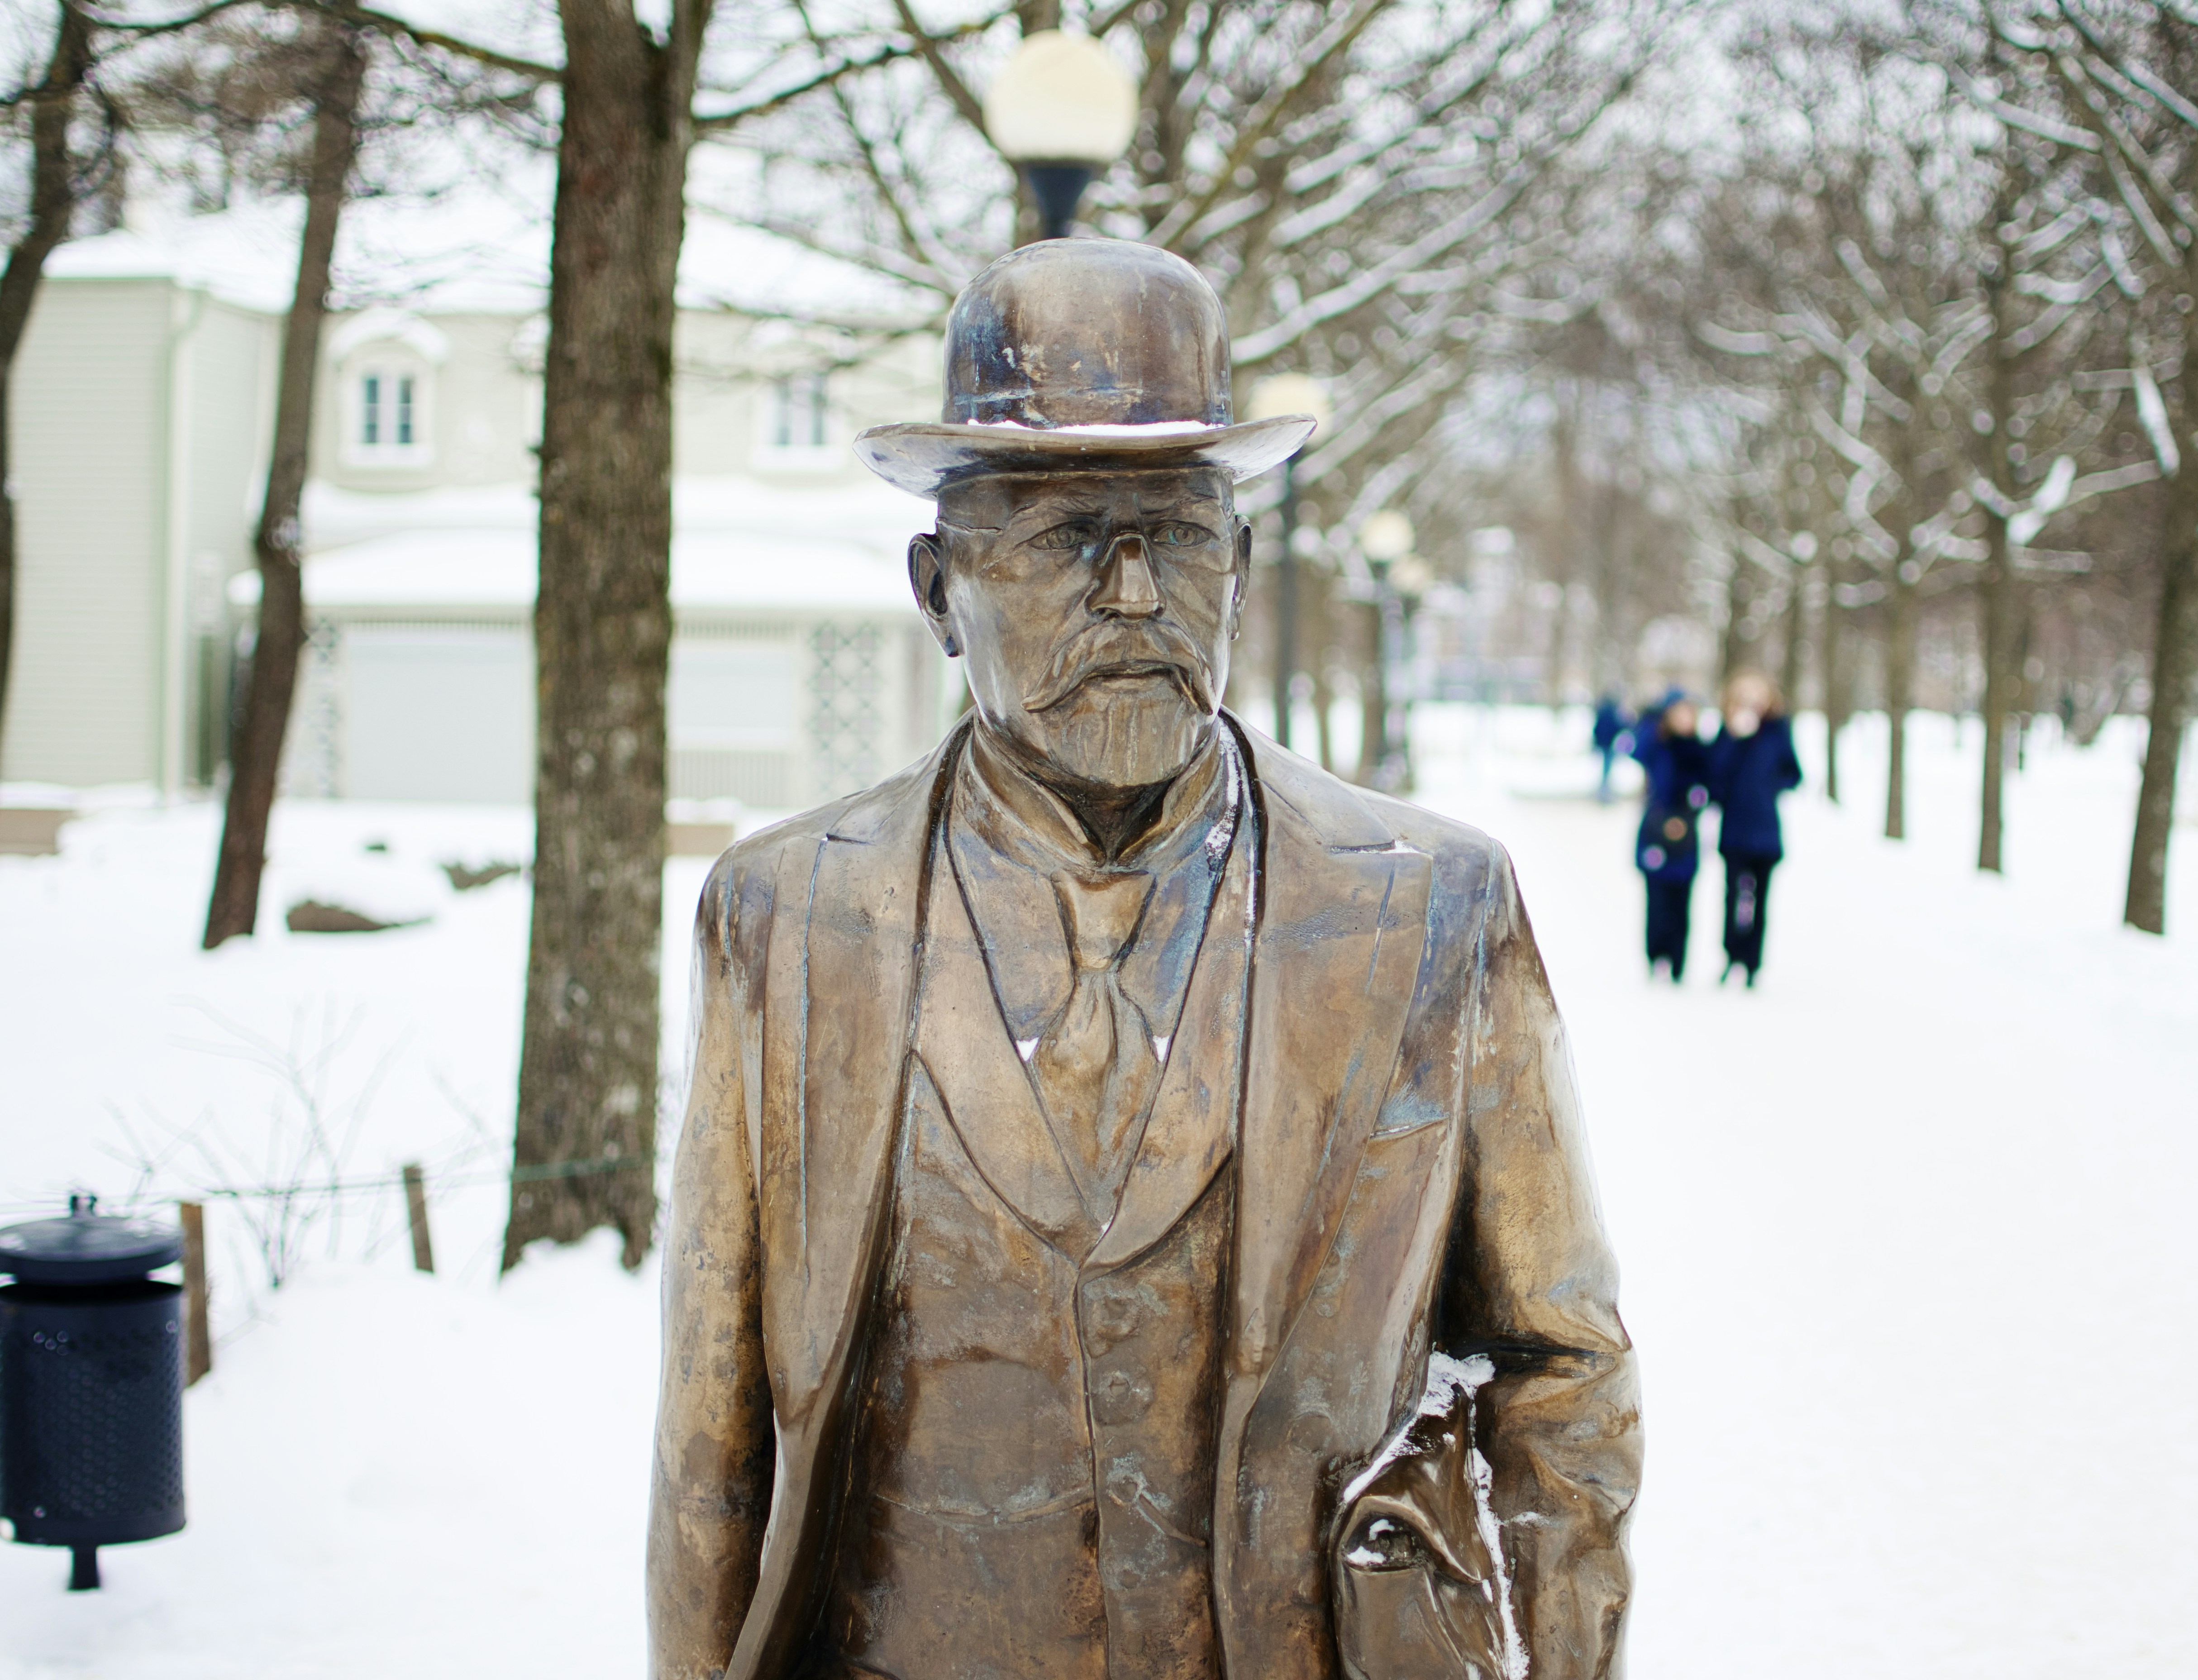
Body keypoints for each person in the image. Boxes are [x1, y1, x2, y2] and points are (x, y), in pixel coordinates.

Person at [648, 239, 1637, 1680]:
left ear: (1234, 566)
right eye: (1060, 540)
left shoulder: (1429, 908)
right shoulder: (785, 917)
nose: (1131, 594)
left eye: (1176, 536)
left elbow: (1561, 1371)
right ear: (938, 589)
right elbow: (712, 1424)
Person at [1706, 669, 1802, 987]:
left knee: (1761, 899)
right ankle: (1731, 955)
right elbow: (1715, 779)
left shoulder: (1778, 731)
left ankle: (1753, 963)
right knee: (1732, 897)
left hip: (1766, 831)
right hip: (1734, 830)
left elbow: (1794, 774)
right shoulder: (1726, 732)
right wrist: (1734, 739)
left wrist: (1770, 786)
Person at [1629, 692, 1709, 982]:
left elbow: (1709, 785)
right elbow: (1637, 749)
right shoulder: (1657, 745)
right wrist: (1652, 719)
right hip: (1655, 832)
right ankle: (1655, 956)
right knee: (1657, 900)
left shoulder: (1699, 750)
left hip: (1686, 837)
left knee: (1682, 902)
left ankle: (1678, 961)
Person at [1590, 691, 1631, 802]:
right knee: (1607, 770)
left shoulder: (1602, 711)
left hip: (1604, 743)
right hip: (1609, 744)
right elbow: (1617, 726)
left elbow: (1596, 728)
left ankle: (1603, 793)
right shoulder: (1613, 712)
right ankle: (1605, 793)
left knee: (1605, 769)